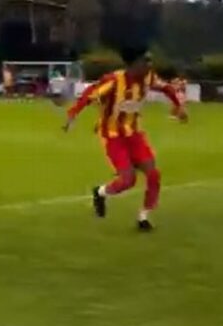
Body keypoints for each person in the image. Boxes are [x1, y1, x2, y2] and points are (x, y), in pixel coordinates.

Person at [62, 46, 187, 231]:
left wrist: (179, 106)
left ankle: (143, 217)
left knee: (153, 174)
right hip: (113, 136)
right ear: (134, 63)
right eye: (146, 61)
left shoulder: (148, 77)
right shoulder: (113, 81)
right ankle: (100, 192)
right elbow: (89, 94)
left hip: (134, 134)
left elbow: (166, 88)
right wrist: (73, 114)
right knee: (128, 180)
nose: (149, 65)